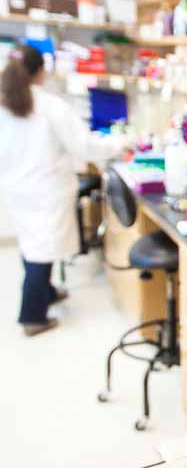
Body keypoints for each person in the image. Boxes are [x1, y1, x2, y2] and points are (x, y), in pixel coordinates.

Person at [0, 45, 125, 336]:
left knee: (32, 245)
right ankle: (32, 317)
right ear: (40, 72)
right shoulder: (49, 106)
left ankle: (47, 292)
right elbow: (84, 146)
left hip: (17, 189)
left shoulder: (5, 102)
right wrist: (119, 146)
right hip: (45, 189)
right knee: (40, 252)